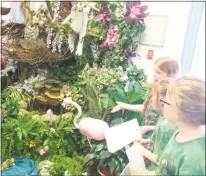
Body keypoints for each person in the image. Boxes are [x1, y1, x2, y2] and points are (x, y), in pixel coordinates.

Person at [129, 76, 205, 176]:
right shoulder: (179, 132)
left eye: (165, 101)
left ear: (178, 111)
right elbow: (165, 165)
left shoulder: (194, 161)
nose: (162, 104)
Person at [111, 56, 179, 139]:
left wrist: (148, 128)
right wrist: (123, 105)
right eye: (154, 71)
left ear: (171, 75)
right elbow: (146, 108)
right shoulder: (156, 88)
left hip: (157, 138)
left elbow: (172, 126)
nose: (153, 75)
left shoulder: (171, 96)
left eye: (158, 72)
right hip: (146, 134)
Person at [137, 80, 177, 170]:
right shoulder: (164, 119)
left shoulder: (166, 127)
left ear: (162, 100)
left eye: (154, 96)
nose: (151, 99)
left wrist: (141, 150)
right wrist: (148, 141)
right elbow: (164, 143)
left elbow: (162, 162)